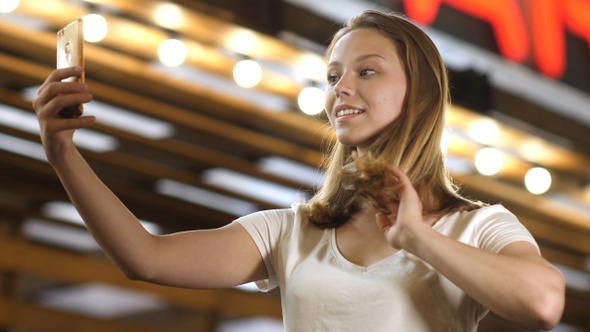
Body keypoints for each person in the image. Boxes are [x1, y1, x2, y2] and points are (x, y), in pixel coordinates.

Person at [34, 9, 564, 332]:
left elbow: (543, 304)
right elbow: (145, 258)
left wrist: (417, 238)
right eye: (334, 76)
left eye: (367, 71)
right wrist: (63, 155)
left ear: (419, 91)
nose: (341, 88)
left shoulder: (476, 226)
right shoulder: (293, 230)